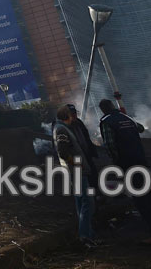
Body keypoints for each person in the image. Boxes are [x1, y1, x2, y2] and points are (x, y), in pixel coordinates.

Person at [98, 99, 151, 244]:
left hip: (128, 164)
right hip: (141, 161)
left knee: (141, 200)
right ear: (113, 106)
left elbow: (110, 145)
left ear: (102, 110)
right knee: (149, 196)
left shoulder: (106, 122)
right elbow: (141, 128)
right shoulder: (126, 118)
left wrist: (116, 163)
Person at [53, 105, 98, 248]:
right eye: (71, 115)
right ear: (67, 116)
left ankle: (88, 236)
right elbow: (63, 152)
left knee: (81, 202)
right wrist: (77, 165)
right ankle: (85, 236)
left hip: (77, 171)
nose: (74, 117)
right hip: (76, 171)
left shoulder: (64, 128)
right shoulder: (61, 129)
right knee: (88, 202)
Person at [66, 103, 99, 190]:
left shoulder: (79, 122)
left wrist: (92, 151)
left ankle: (97, 195)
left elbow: (86, 137)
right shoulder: (63, 127)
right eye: (71, 113)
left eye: (74, 113)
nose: (74, 115)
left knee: (93, 175)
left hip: (86, 154)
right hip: (75, 158)